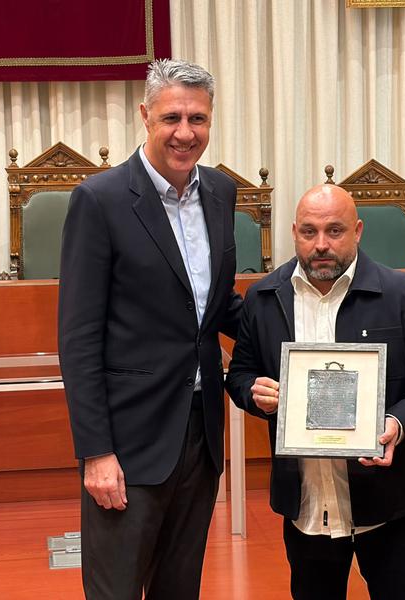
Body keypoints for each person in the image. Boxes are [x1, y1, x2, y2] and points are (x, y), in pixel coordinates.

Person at [58, 59, 242, 600]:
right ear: (145, 116)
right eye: (172, 118)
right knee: (115, 591)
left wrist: (299, 327)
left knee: (179, 587)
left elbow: (215, 307)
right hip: (129, 443)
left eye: (198, 119)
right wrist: (96, 452)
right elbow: (79, 336)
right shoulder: (101, 200)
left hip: (201, 435)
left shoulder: (221, 194)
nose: (186, 133)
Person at [225, 184, 405, 599]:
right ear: (294, 231)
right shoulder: (263, 298)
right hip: (307, 506)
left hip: (386, 504)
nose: (321, 245)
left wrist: (396, 423)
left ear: (358, 231)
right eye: (309, 232)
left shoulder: (402, 295)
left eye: (335, 231)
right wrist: (253, 392)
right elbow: (241, 374)